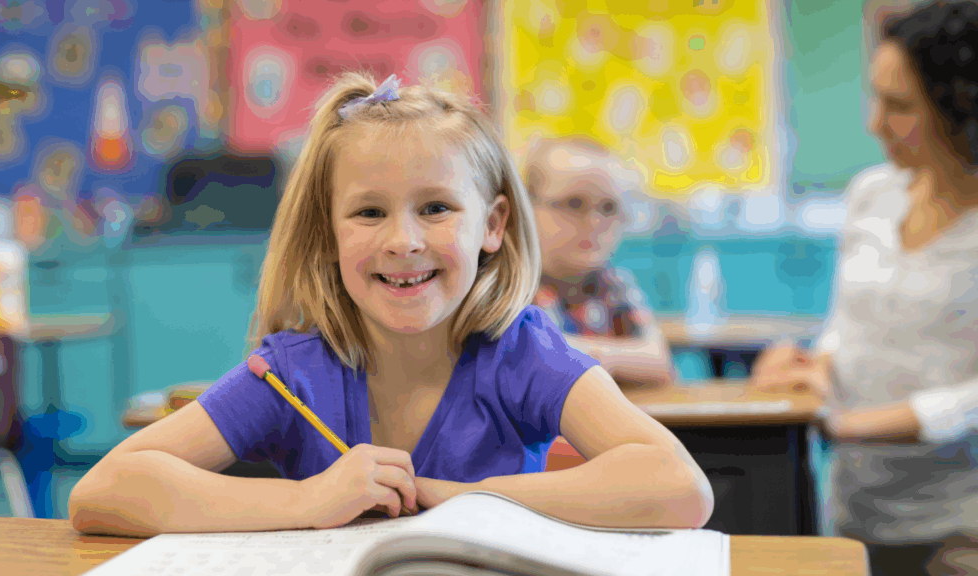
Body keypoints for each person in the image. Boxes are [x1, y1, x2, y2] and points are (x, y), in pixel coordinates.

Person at [67, 72, 712, 536]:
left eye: (435, 208)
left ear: (492, 225)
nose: (403, 241)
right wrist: (308, 502)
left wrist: (467, 499)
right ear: (330, 230)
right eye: (369, 212)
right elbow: (101, 492)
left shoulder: (520, 353)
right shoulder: (291, 373)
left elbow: (679, 486)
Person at [751, 2, 978, 574]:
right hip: (857, 514)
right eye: (874, 97)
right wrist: (815, 367)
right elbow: (848, 322)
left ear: (964, 108)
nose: (875, 122)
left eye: (899, 105)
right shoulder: (873, 193)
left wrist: (852, 425)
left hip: (961, 527)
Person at [523, 135, 674, 387]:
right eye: (573, 204)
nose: (594, 223)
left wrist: (591, 355)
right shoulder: (511, 285)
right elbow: (531, 361)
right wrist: (619, 359)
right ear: (526, 208)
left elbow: (661, 363)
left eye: (609, 208)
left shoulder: (612, 283)